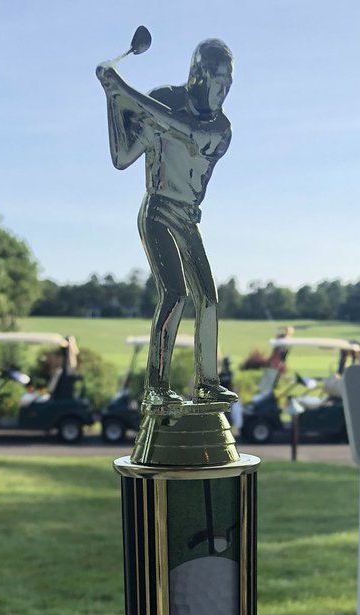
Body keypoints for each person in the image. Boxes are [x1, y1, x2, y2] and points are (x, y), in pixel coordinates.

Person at [96, 40, 235, 408]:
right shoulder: (162, 101)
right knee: (175, 294)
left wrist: (124, 90)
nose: (224, 91)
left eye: (229, 83)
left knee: (208, 298)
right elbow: (122, 156)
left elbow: (184, 131)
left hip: (189, 218)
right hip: (158, 210)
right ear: (198, 77)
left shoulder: (220, 129)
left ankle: (207, 383)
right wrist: (113, 99)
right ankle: (156, 387)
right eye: (218, 81)